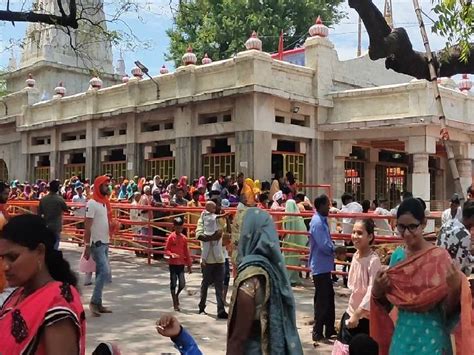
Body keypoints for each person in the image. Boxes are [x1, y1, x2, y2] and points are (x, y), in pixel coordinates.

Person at [371, 198, 473, 355]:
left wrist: (454, 288)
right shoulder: (397, 258)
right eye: (401, 227)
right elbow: (388, 306)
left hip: (433, 343)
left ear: (423, 223)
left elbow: (449, 311)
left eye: (412, 227)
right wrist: (377, 291)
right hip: (402, 342)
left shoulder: (439, 258)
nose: (406, 233)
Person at [0, 214, 85, 354]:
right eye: (2, 258)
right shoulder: (18, 294)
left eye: (13, 257)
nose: (5, 266)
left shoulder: (57, 302)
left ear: (40, 251)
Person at [227, 208, 303, 354]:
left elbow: (238, 338)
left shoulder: (249, 278)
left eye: (237, 233)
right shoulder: (274, 271)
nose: (233, 241)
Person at [333, 219, 382, 353]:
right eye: (353, 232)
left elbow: (371, 289)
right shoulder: (355, 256)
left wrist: (358, 313)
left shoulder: (373, 261)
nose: (355, 236)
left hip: (363, 317)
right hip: (350, 312)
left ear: (370, 236)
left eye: (360, 233)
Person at [83, 175, 116, 317]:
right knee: (105, 271)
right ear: (98, 186)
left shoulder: (104, 203)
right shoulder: (91, 203)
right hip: (96, 243)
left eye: (107, 185)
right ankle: (94, 302)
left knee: (100, 273)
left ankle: (99, 303)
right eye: (104, 185)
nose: (107, 187)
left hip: (105, 241)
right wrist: (86, 245)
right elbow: (87, 225)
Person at [309, 194, 336, 344]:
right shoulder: (318, 223)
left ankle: (329, 329)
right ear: (320, 206)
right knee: (322, 301)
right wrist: (335, 249)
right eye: (327, 205)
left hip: (323, 266)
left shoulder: (322, 221)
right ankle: (318, 331)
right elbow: (324, 245)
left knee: (328, 298)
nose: (329, 207)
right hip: (320, 267)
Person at [195, 197, 228, 319]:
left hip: (219, 258)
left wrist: (227, 220)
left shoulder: (220, 219)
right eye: (215, 206)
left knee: (219, 284)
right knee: (205, 284)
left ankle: (220, 310)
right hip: (207, 259)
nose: (217, 208)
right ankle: (201, 307)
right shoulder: (203, 219)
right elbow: (199, 235)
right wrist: (212, 237)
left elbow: (226, 233)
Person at [437, 199, 474, 276]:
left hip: (437, 270)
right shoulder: (465, 234)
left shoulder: (446, 224)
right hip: (448, 277)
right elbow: (459, 266)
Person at [165, 217, 192, 311]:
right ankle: (174, 303)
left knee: (182, 284)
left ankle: (176, 295)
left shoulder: (184, 238)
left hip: (181, 264)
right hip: (172, 264)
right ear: (174, 227)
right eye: (177, 228)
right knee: (173, 283)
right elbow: (166, 250)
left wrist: (189, 265)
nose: (179, 230)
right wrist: (171, 254)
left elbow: (186, 252)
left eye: (180, 228)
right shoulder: (171, 237)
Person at [282, 199, 308, 286]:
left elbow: (284, 231)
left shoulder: (285, 217)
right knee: (294, 260)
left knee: (287, 260)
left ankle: (287, 278)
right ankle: (293, 278)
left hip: (288, 242)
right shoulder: (299, 218)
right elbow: (303, 230)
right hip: (297, 243)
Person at [38, 179, 69, 249]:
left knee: (47, 244)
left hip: (46, 225)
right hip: (56, 226)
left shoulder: (43, 199)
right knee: (56, 243)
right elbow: (66, 209)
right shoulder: (60, 199)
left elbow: (39, 213)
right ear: (57, 188)